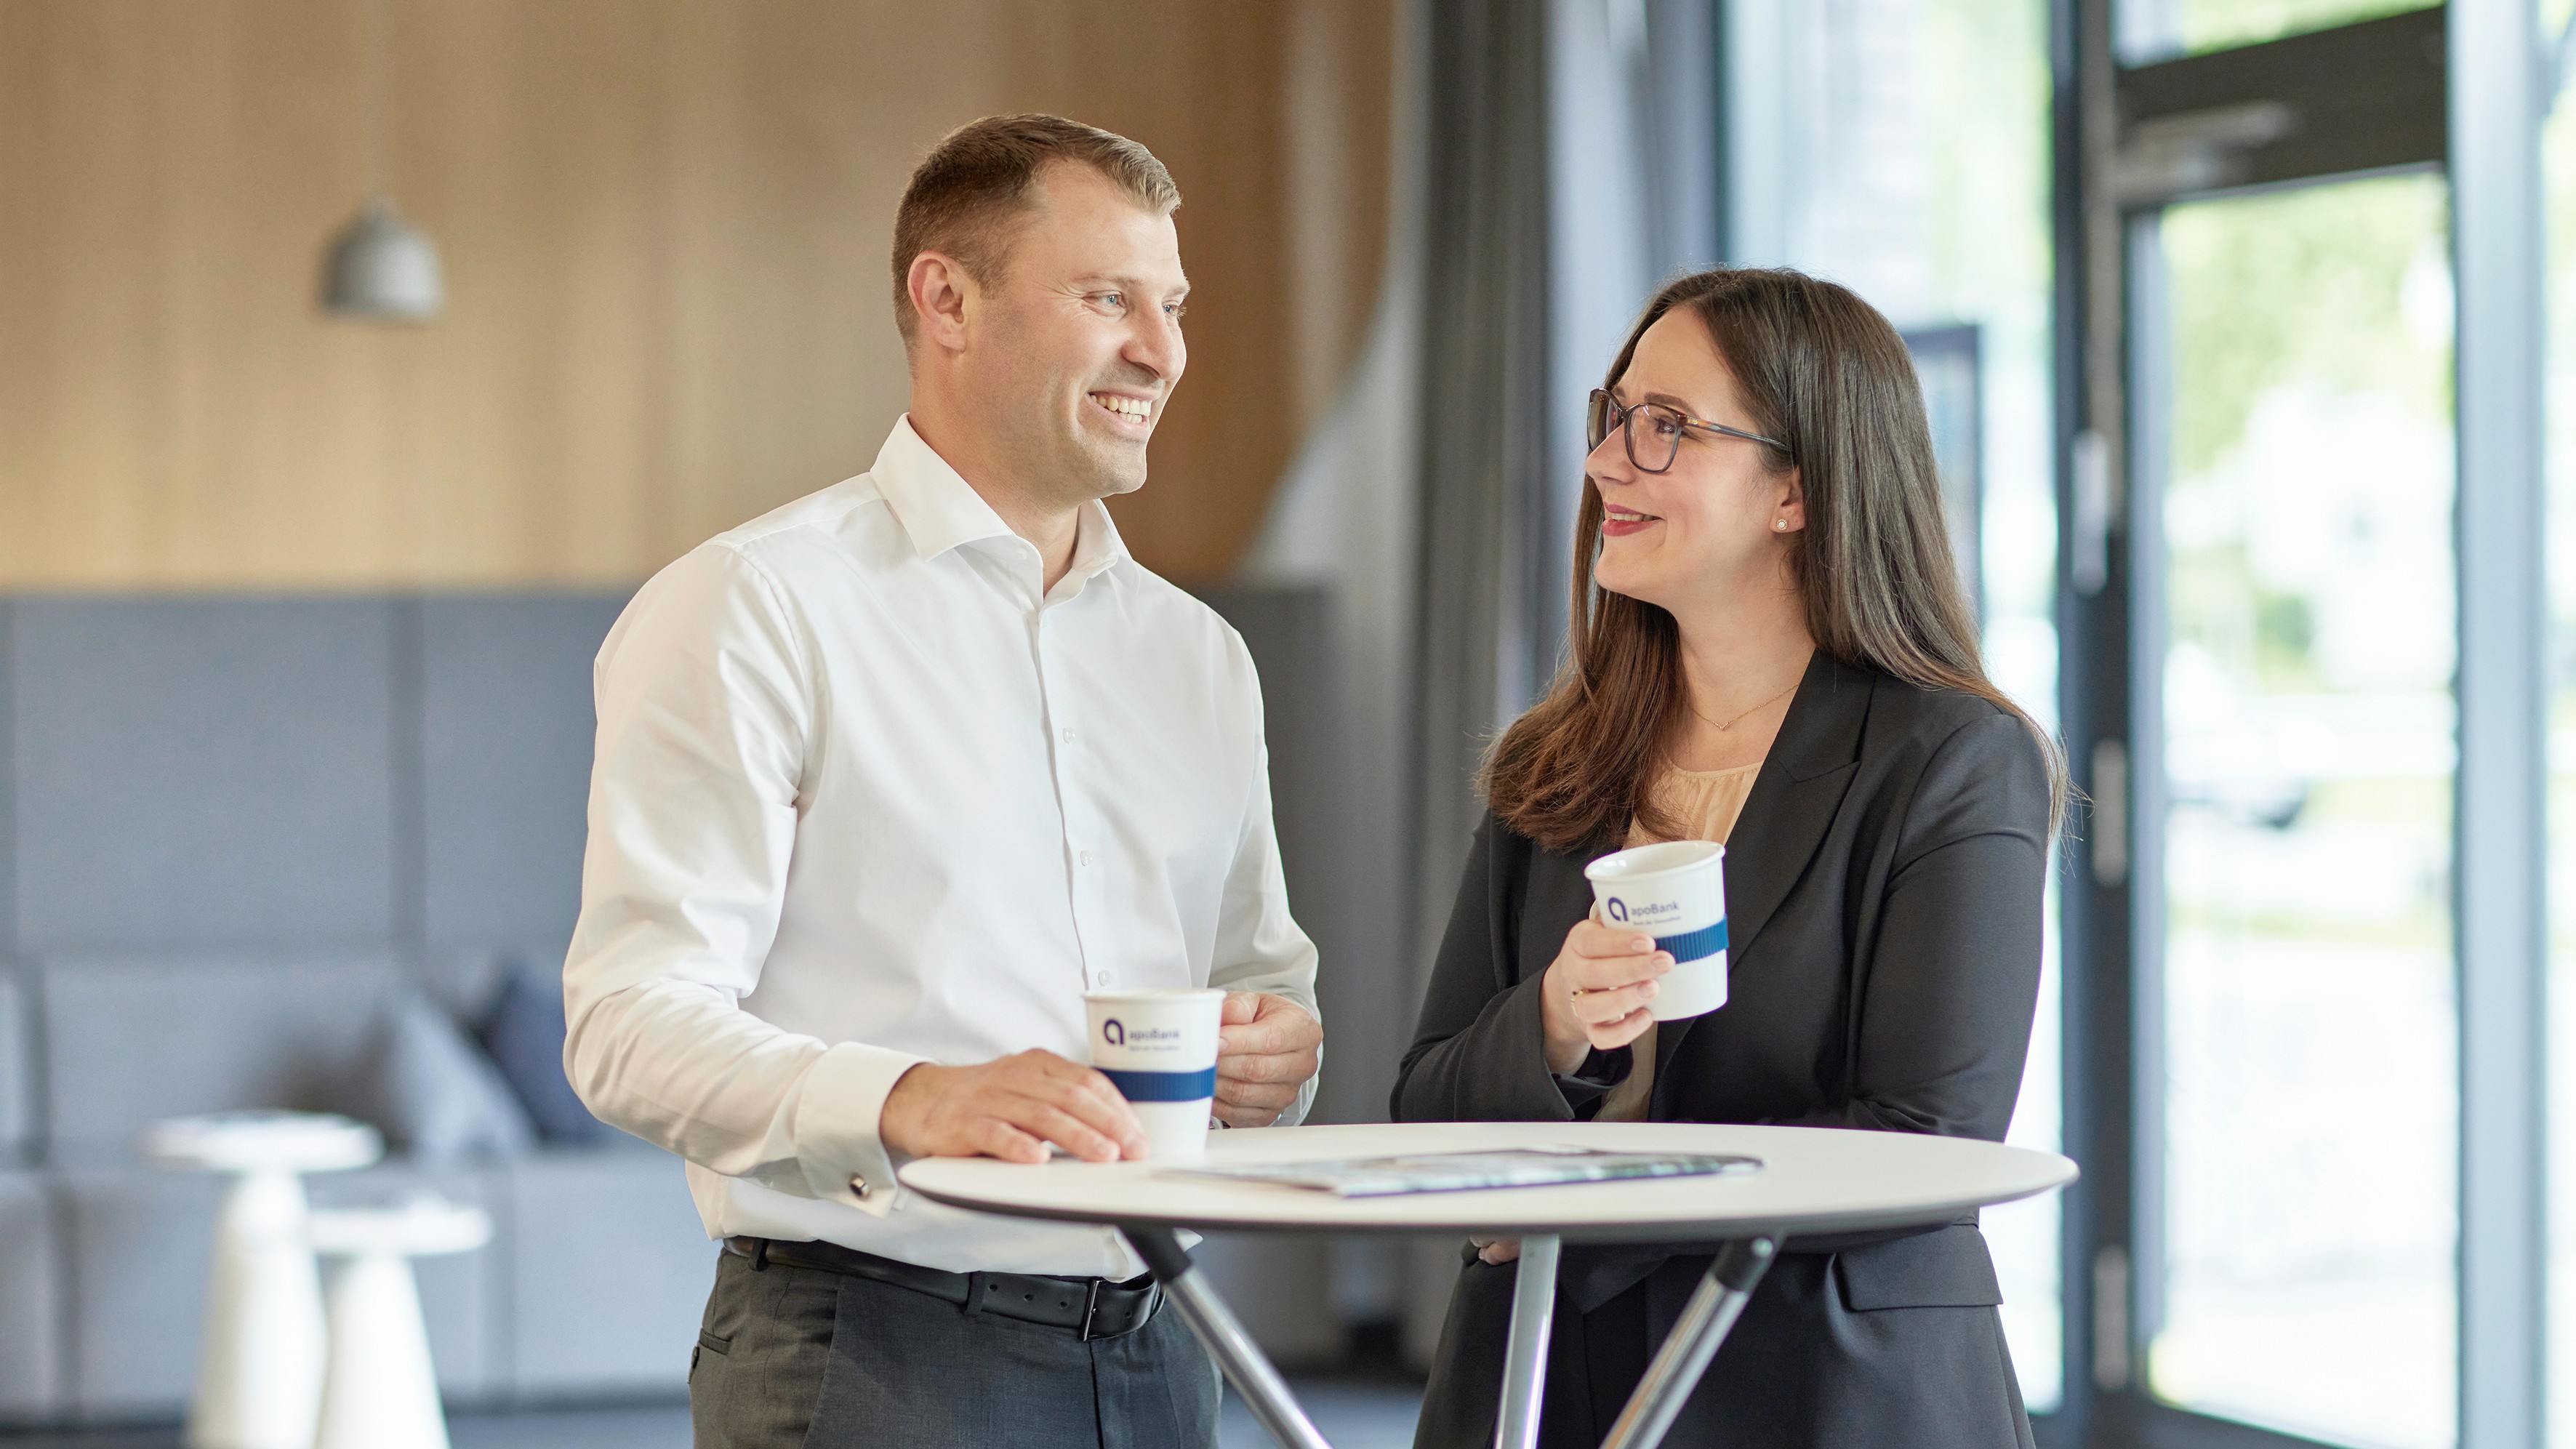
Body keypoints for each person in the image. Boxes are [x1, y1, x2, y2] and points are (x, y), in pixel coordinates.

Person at [561, 113, 1325, 1449]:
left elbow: (1264, 984)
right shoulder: (753, 607)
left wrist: (1277, 1058)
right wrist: (908, 1096)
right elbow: (627, 1023)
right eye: (1109, 298)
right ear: (947, 298)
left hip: (1165, 1353)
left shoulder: (1202, 659)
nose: (1165, 349)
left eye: (1174, 304)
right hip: (871, 1356)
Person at [1393, 267, 2064, 1448]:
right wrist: (1549, 1025)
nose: (1607, 463)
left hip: (1827, 1387)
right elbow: (1423, 1110)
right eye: (1614, 417)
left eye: (1667, 429)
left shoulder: (1952, 758)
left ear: (1796, 490)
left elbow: (1927, 1138)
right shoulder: (1556, 761)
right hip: (1543, 1385)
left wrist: (1581, 1211)